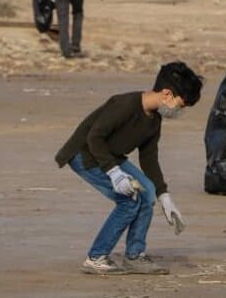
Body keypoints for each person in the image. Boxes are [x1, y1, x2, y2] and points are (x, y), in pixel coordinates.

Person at [54, 61, 204, 275]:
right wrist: (114, 173)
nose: (180, 112)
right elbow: (94, 137)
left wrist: (164, 195)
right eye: (181, 106)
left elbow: (149, 158)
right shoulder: (124, 105)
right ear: (167, 94)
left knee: (148, 193)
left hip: (110, 155)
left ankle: (135, 255)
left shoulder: (154, 120)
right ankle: (96, 258)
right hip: (84, 155)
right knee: (128, 202)